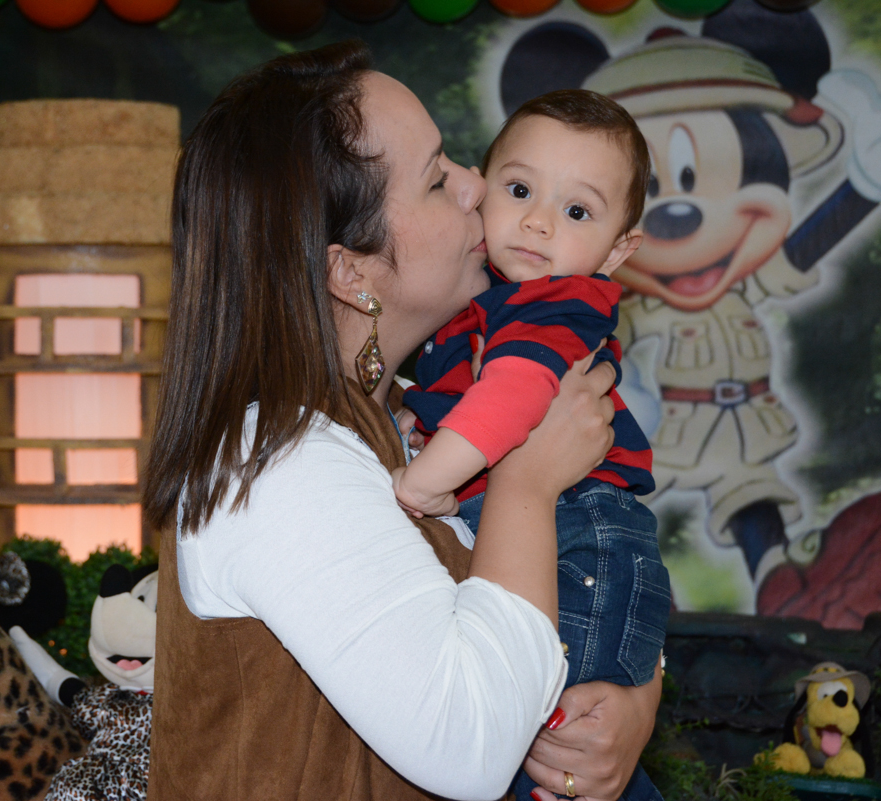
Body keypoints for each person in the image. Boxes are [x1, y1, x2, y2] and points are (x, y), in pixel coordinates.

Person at [144, 42, 662, 801]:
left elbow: (557, 592)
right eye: (437, 177)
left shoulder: (404, 417)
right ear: (349, 270)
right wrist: (524, 480)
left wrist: (633, 700)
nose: (476, 185)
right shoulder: (276, 462)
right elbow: (473, 746)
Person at [394, 90, 671, 801]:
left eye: (577, 211)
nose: (539, 221)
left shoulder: (562, 300)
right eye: (518, 190)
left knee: (555, 728)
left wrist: (426, 478)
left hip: (584, 531)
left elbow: (512, 397)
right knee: (545, 740)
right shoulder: (481, 306)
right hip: (548, 531)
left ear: (617, 251)